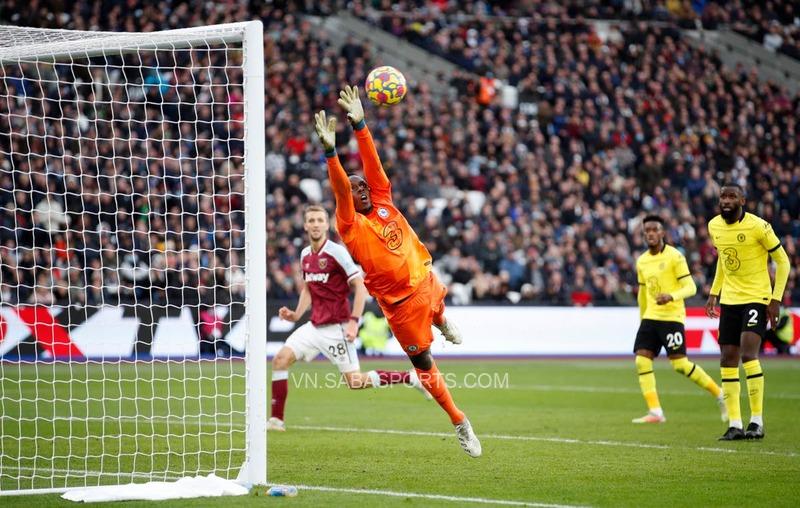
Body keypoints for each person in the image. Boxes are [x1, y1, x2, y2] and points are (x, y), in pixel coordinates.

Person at [313, 85, 481, 457]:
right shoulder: (350, 226)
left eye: (364, 186)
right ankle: (460, 421)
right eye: (357, 189)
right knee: (423, 363)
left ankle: (441, 319)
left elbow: (373, 165)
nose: (363, 189)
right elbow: (341, 188)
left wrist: (360, 125)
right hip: (400, 305)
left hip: (425, 281)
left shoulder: (384, 200)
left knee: (437, 304)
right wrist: (330, 153)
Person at [268, 205, 429, 432]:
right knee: (280, 359)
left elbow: (359, 286)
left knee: (355, 382)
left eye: (319, 220)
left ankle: (410, 378)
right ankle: (276, 421)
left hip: (338, 329)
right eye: (311, 220)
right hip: (314, 326)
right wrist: (295, 315)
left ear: (326, 224)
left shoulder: (337, 252)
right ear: (305, 225)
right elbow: (308, 289)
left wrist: (354, 322)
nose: (315, 224)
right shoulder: (305, 254)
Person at [706, 183, 791, 441]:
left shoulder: (758, 226)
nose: (726, 200)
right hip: (730, 299)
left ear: (742, 200)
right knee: (727, 359)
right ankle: (735, 424)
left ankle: (757, 421)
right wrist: (714, 291)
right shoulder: (714, 226)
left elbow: (783, 261)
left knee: (748, 354)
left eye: (732, 196)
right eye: (723, 196)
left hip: (757, 297)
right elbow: (723, 260)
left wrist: (775, 299)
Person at [632, 215, 727, 424]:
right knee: (641, 360)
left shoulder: (675, 257)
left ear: (662, 232)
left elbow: (691, 287)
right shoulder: (642, 261)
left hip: (672, 317)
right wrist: (642, 317)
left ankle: (720, 394)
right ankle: (656, 412)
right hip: (650, 318)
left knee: (680, 365)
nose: (650, 233)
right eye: (646, 230)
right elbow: (642, 292)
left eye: (654, 229)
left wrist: (671, 296)